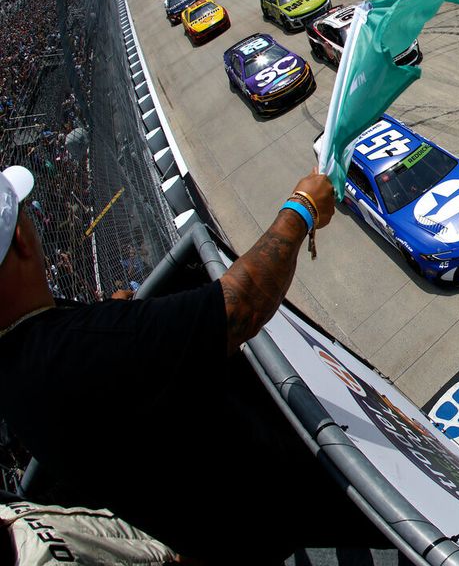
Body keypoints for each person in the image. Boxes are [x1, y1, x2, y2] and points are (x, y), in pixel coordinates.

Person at [0, 165, 385, 563]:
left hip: (217, 534)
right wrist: (303, 207)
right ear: (23, 242)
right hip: (277, 509)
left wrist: (113, 326)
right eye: (25, 210)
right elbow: (242, 305)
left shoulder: (15, 371)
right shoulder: (77, 350)